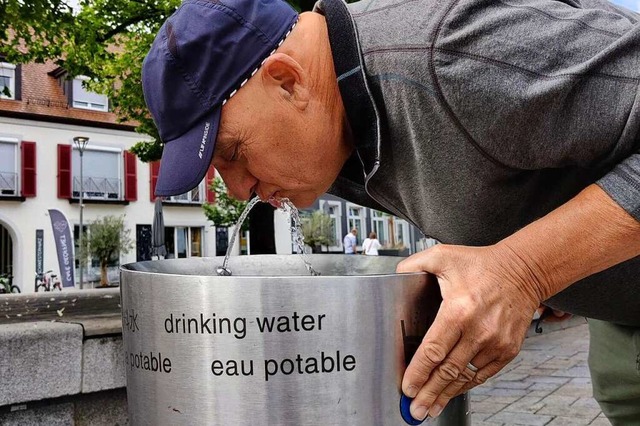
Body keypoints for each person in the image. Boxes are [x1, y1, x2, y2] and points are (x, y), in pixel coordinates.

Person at [141, 0, 640, 423]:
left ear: (288, 81)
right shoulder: (331, 140)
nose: (237, 188)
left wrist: (526, 269)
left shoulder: (457, 53)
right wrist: (559, 253)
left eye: (231, 153)